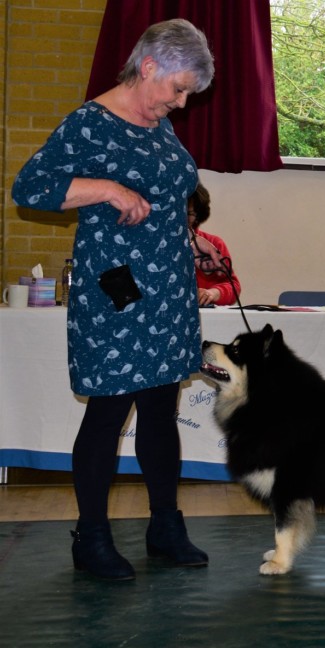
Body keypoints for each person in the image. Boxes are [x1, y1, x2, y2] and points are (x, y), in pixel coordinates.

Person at [12, 19, 215, 580]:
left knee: (159, 409)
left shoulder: (155, 124)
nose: (179, 102)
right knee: (107, 411)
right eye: (176, 88)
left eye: (188, 94)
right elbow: (29, 187)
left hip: (169, 292)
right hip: (117, 292)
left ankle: (164, 526)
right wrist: (105, 189)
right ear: (148, 66)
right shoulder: (90, 123)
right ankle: (91, 537)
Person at [189, 181, 241, 306]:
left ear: (198, 215)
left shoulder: (213, 243)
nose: (182, 218)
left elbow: (233, 286)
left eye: (189, 214)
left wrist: (213, 293)